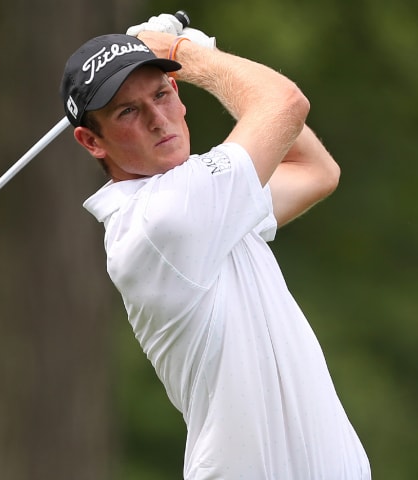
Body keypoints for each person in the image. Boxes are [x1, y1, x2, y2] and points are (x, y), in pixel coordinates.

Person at [60, 14, 370, 479]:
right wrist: (191, 55)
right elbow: (283, 103)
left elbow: (314, 169)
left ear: (177, 95)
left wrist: (203, 59)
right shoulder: (160, 221)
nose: (157, 119)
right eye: (127, 111)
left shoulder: (207, 206)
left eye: (161, 94)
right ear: (91, 141)